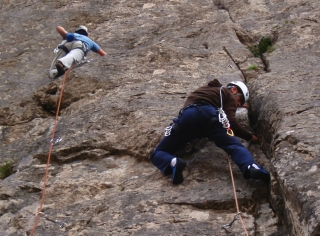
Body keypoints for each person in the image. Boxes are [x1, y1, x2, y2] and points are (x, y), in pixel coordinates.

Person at [150, 79, 270, 185]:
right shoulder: (227, 94)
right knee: (233, 145)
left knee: (158, 152)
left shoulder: (203, 91)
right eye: (240, 100)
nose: (238, 104)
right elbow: (231, 122)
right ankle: (250, 166)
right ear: (233, 89)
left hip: (187, 116)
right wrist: (250, 137)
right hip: (209, 116)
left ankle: (173, 162)